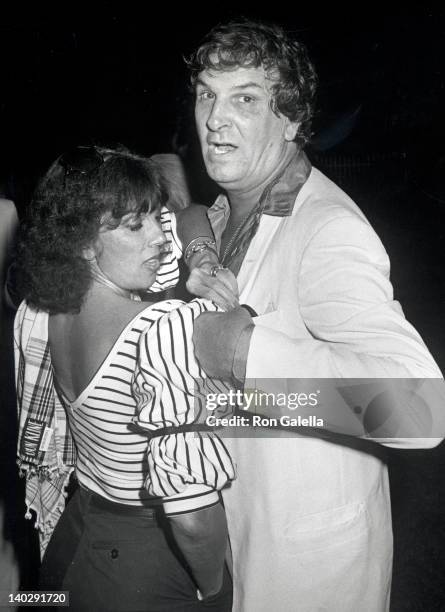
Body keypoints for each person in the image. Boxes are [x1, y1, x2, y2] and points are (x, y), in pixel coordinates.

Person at [186, 18, 445, 612]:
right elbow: (183, 198)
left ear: (293, 121)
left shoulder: (327, 228)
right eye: (206, 94)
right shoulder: (234, 209)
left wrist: (244, 353)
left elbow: (418, 408)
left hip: (307, 568)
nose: (215, 119)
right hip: (238, 533)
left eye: (245, 99)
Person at [14, 146, 236, 610]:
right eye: (137, 225)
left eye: (156, 216)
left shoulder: (44, 311)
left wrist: (200, 258)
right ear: (82, 242)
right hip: (146, 562)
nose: (159, 235)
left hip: (72, 541)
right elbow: (192, 517)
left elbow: (190, 211)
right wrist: (214, 590)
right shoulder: (162, 328)